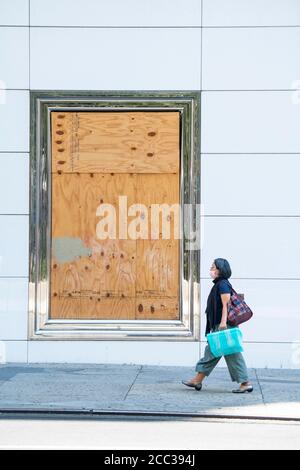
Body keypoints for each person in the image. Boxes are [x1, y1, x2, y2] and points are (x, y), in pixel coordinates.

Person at [182, 258, 253, 393]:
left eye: (213, 267)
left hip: (224, 325)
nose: (211, 270)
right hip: (220, 325)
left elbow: (226, 304)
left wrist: (223, 322)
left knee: (229, 354)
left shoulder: (223, 285)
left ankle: (245, 383)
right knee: (213, 352)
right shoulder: (219, 284)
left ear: (220, 270)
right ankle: (197, 380)